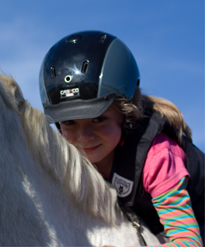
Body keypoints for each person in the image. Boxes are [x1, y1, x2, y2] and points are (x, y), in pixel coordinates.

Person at [39, 30, 204, 246]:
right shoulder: (71, 154)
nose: (84, 136)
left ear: (127, 113)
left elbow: (188, 241)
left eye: (98, 119)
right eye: (70, 122)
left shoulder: (158, 155)